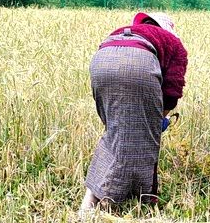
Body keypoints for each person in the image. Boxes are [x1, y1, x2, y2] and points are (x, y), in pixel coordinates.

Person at [80, 11, 188, 210]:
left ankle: (88, 203)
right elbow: (173, 90)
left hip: (100, 63)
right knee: (140, 143)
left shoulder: (125, 31)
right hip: (138, 64)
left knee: (113, 135)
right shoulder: (173, 42)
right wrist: (158, 119)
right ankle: (127, 201)